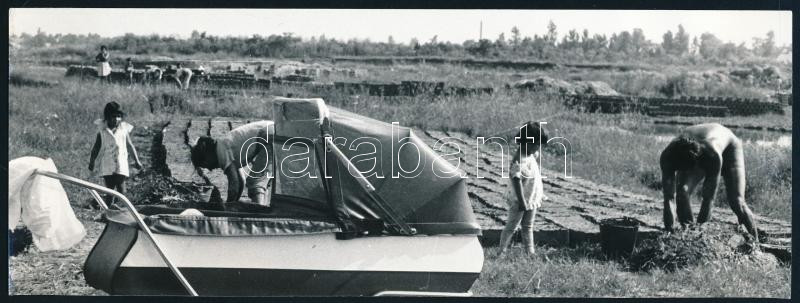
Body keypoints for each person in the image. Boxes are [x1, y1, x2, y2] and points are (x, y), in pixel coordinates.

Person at [660, 123, 759, 240]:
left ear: (696, 162)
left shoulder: (712, 155)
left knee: (737, 201)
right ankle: (688, 234)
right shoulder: (667, 157)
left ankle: (755, 243)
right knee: (682, 192)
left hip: (729, 147)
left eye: (690, 169)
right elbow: (669, 198)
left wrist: (700, 236)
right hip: (694, 149)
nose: (688, 173)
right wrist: (668, 231)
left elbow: (708, 200)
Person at [190, 121, 274, 206]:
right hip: (272, 132)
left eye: (205, 165)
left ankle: (259, 215)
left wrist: (227, 207)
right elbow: (240, 181)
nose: (210, 169)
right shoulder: (227, 148)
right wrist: (233, 203)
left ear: (207, 157)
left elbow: (234, 183)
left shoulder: (221, 152)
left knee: (256, 182)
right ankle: (262, 210)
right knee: (262, 181)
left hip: (268, 135)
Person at [498, 121, 548, 255]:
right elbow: (516, 180)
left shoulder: (530, 154)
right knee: (511, 226)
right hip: (520, 200)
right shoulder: (518, 160)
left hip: (531, 197)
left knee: (528, 226)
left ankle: (530, 252)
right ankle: (501, 251)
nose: (538, 149)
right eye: (537, 145)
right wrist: (521, 201)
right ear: (528, 143)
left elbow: (534, 157)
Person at [89, 102, 143, 206]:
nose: (116, 119)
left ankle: (123, 209)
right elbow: (96, 147)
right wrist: (92, 161)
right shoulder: (102, 130)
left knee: (121, 188)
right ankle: (109, 211)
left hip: (121, 162)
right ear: (107, 117)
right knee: (110, 190)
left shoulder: (123, 129)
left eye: (119, 116)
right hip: (107, 163)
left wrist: (137, 160)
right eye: (113, 116)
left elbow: (129, 145)